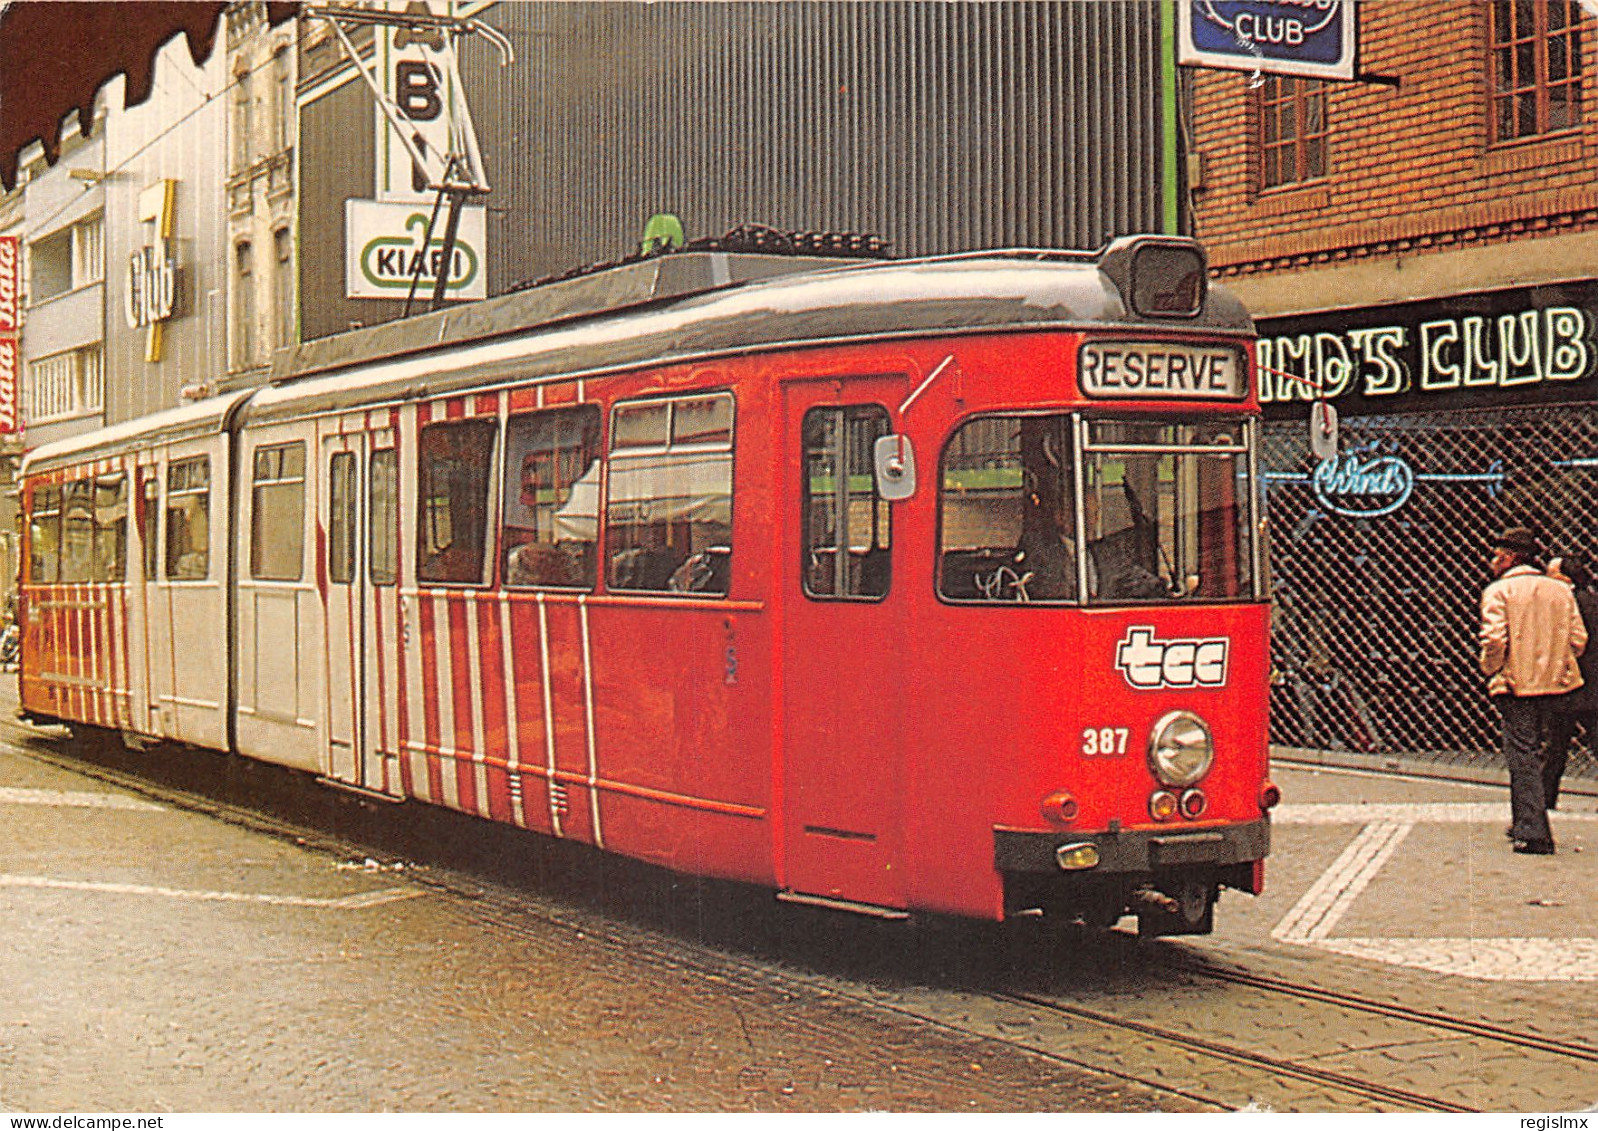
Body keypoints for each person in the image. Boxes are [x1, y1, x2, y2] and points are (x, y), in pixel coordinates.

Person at [1479, 527, 1587, 855]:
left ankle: (1532, 828)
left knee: (1521, 753)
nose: (1491, 562)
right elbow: (1578, 640)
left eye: (1496, 556)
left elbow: (1495, 640)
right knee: (1546, 748)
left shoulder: (1499, 591)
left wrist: (1490, 667)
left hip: (1516, 683)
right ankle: (1527, 820)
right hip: (1555, 683)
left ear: (1509, 558)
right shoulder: (1560, 591)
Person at [1545, 554, 1598, 811]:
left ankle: (1546, 799)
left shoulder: (1558, 603)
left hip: (1565, 682)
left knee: (1554, 747)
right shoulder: (1593, 601)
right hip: (1594, 685)